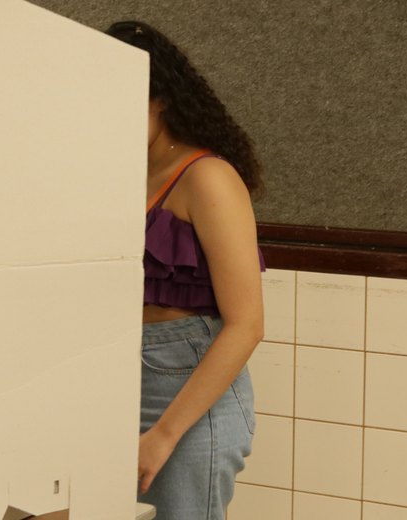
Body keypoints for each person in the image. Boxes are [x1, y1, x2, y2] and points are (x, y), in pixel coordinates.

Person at [105, 21, 265, 520]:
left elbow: (247, 325)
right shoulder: (116, 171)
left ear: (162, 101)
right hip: (114, 377)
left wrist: (163, 436)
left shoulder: (209, 178)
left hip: (186, 393)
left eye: (119, 98)